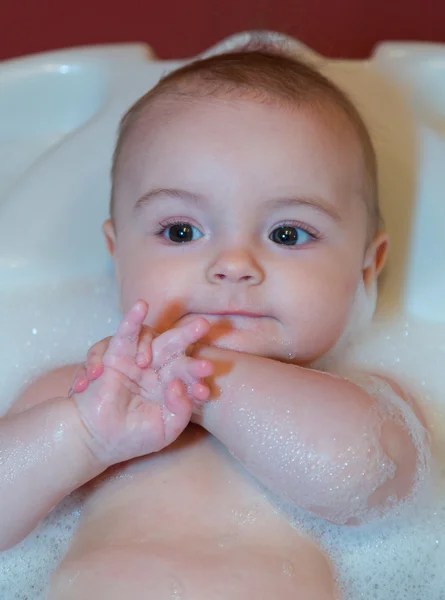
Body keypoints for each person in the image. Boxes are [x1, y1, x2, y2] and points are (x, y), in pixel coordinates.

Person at [0, 48, 430, 599]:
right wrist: (81, 435)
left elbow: (363, 479)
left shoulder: (364, 400)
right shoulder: (80, 391)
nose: (233, 264)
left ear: (366, 269)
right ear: (118, 254)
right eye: (181, 231)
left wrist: (202, 381)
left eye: (287, 234)